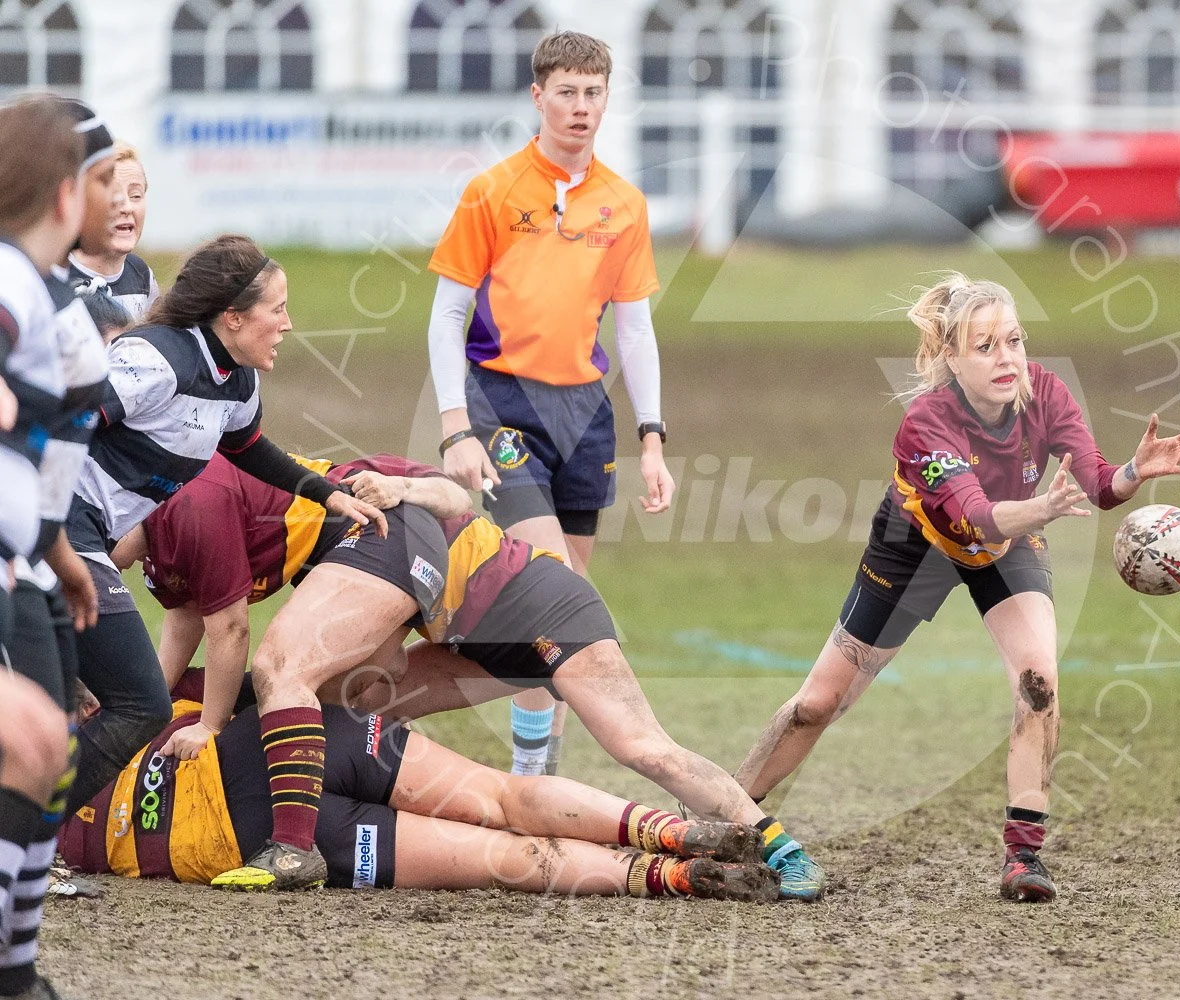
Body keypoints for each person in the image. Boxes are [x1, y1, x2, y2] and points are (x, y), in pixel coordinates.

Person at [116, 455, 827, 901]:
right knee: (350, 707)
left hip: (544, 609)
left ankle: (772, 842)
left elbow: (459, 502)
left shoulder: (356, 492)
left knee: (643, 748)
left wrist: (401, 484)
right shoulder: (303, 539)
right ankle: (391, 818)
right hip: (467, 643)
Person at [733, 274, 1180, 903]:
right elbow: (974, 517)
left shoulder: (1047, 393)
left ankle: (1024, 857)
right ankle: (725, 816)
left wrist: (1131, 472)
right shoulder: (926, 423)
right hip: (916, 545)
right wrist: (1039, 510)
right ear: (950, 359)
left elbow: (1094, 484)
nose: (1007, 358)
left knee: (1039, 679)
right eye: (985, 347)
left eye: (1013, 340)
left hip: (1008, 546)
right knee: (817, 705)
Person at [63, 234, 386, 826]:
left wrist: (327, 494)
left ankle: (27, 845)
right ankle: (26, 834)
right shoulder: (158, 359)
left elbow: (246, 446)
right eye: (278, 309)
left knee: (82, 696)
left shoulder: (235, 380)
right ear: (232, 317)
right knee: (136, 702)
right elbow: (63, 418)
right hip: (60, 526)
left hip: (81, 534)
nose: (289, 324)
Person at [427, 30, 673, 777]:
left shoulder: (624, 205)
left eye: (593, 92)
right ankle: (531, 778)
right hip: (502, 407)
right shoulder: (492, 192)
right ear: (538, 97)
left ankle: (540, 772)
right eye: (565, 92)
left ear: (607, 99)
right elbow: (445, 317)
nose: (580, 107)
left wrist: (654, 439)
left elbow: (634, 328)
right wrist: (455, 429)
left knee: (565, 601)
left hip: (585, 416)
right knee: (554, 583)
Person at [56, 671, 778, 901]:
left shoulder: (45, 832)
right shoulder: (115, 704)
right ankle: (671, 831)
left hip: (248, 834)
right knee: (504, 797)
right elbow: (244, 678)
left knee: (507, 860)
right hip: (289, 744)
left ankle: (675, 875)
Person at [107, 451, 474, 761]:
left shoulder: (192, 503)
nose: (96, 565)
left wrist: (209, 726)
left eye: (94, 543)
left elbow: (231, 628)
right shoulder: (157, 540)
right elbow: (186, 618)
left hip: (384, 534)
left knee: (285, 678)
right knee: (328, 707)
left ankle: (292, 840)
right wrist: (145, 705)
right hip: (367, 548)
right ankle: (373, 802)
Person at [0, 93, 104, 1000]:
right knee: (31, 744)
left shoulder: (38, 285)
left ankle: (21, 970)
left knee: (47, 746)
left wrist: (56, 549)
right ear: (67, 194)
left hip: (26, 555)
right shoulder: (9, 280)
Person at [66, 143, 156, 323]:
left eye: (136, 195)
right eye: (113, 195)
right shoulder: (58, 276)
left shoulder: (143, 276)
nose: (127, 208)